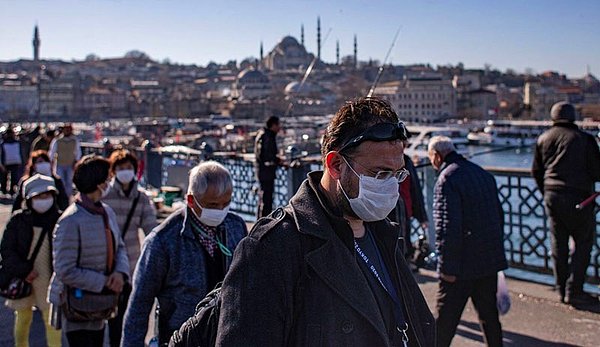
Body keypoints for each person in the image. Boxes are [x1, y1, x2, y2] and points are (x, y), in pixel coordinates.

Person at [217, 97, 435, 346]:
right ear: (335, 165)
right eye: (380, 174)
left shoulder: (385, 234)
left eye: (397, 174)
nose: (390, 185)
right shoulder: (272, 250)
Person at [121, 161, 247, 347]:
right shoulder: (163, 241)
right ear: (191, 200)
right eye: (212, 205)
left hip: (228, 336)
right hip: (181, 339)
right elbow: (139, 304)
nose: (220, 211)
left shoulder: (236, 227)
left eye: (226, 203)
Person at [427, 136, 507, 347]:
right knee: (490, 318)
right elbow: (499, 217)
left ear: (437, 156)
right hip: (488, 261)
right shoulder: (482, 174)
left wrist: (446, 268)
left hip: (461, 265)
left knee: (445, 323)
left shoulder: (446, 179)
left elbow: (447, 227)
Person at [48, 155, 129, 347]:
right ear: (98, 183)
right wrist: (104, 283)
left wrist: (120, 273)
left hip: (102, 305)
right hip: (78, 307)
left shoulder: (106, 212)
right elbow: (65, 269)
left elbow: (119, 247)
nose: (110, 182)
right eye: (107, 178)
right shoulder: (70, 221)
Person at [532, 101, 600, 306]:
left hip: (552, 196)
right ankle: (575, 289)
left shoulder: (543, 138)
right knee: (583, 243)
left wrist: (546, 192)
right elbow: (597, 172)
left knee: (558, 244)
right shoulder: (584, 140)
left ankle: (561, 289)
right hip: (579, 197)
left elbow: (537, 171)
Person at [1, 174, 63, 347]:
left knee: (51, 320)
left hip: (49, 276)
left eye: (47, 195)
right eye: (38, 196)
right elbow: (7, 250)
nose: (44, 199)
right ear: (28, 198)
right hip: (24, 275)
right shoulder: (18, 220)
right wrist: (23, 270)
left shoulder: (60, 220)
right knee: (22, 318)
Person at [103, 149, 158, 347]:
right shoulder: (104, 196)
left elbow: (151, 229)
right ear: (113, 171)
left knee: (127, 313)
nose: (125, 171)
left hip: (132, 263)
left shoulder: (141, 198)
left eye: (128, 168)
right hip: (107, 263)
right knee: (108, 313)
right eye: (120, 168)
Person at [388, 131, 429, 265]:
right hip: (393, 209)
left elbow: (414, 189)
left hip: (404, 210)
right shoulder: (393, 160)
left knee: (403, 242)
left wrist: (422, 216)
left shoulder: (406, 161)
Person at [254, 116, 282, 218]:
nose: (279, 127)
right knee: (266, 199)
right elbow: (265, 156)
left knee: (263, 198)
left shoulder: (263, 134)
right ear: (273, 125)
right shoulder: (267, 136)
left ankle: (260, 221)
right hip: (266, 173)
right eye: (278, 125)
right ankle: (264, 224)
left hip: (263, 172)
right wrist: (277, 160)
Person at [49, 123, 82, 198]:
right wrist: (50, 163)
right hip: (59, 164)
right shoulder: (57, 140)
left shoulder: (74, 140)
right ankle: (62, 197)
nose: (67, 131)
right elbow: (52, 152)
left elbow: (78, 152)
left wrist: (76, 162)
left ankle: (68, 197)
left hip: (71, 164)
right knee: (61, 182)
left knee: (69, 182)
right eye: (66, 129)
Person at [0, 127, 24, 196]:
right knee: (14, 177)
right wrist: (20, 161)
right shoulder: (17, 142)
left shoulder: (3, 143)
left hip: (5, 162)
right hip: (15, 162)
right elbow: (20, 153)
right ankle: (12, 191)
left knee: (4, 177)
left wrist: (1, 164)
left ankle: (4, 190)